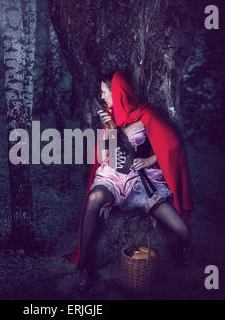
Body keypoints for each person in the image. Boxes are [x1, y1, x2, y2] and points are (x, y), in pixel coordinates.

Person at [64, 71, 194, 292]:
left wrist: (150, 159)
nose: (102, 96)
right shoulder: (109, 118)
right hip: (113, 178)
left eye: (105, 92)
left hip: (142, 182)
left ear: (118, 93)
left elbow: (172, 145)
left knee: (183, 231)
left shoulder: (147, 114)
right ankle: (83, 268)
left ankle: (183, 247)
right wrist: (111, 129)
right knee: (94, 198)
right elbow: (107, 159)